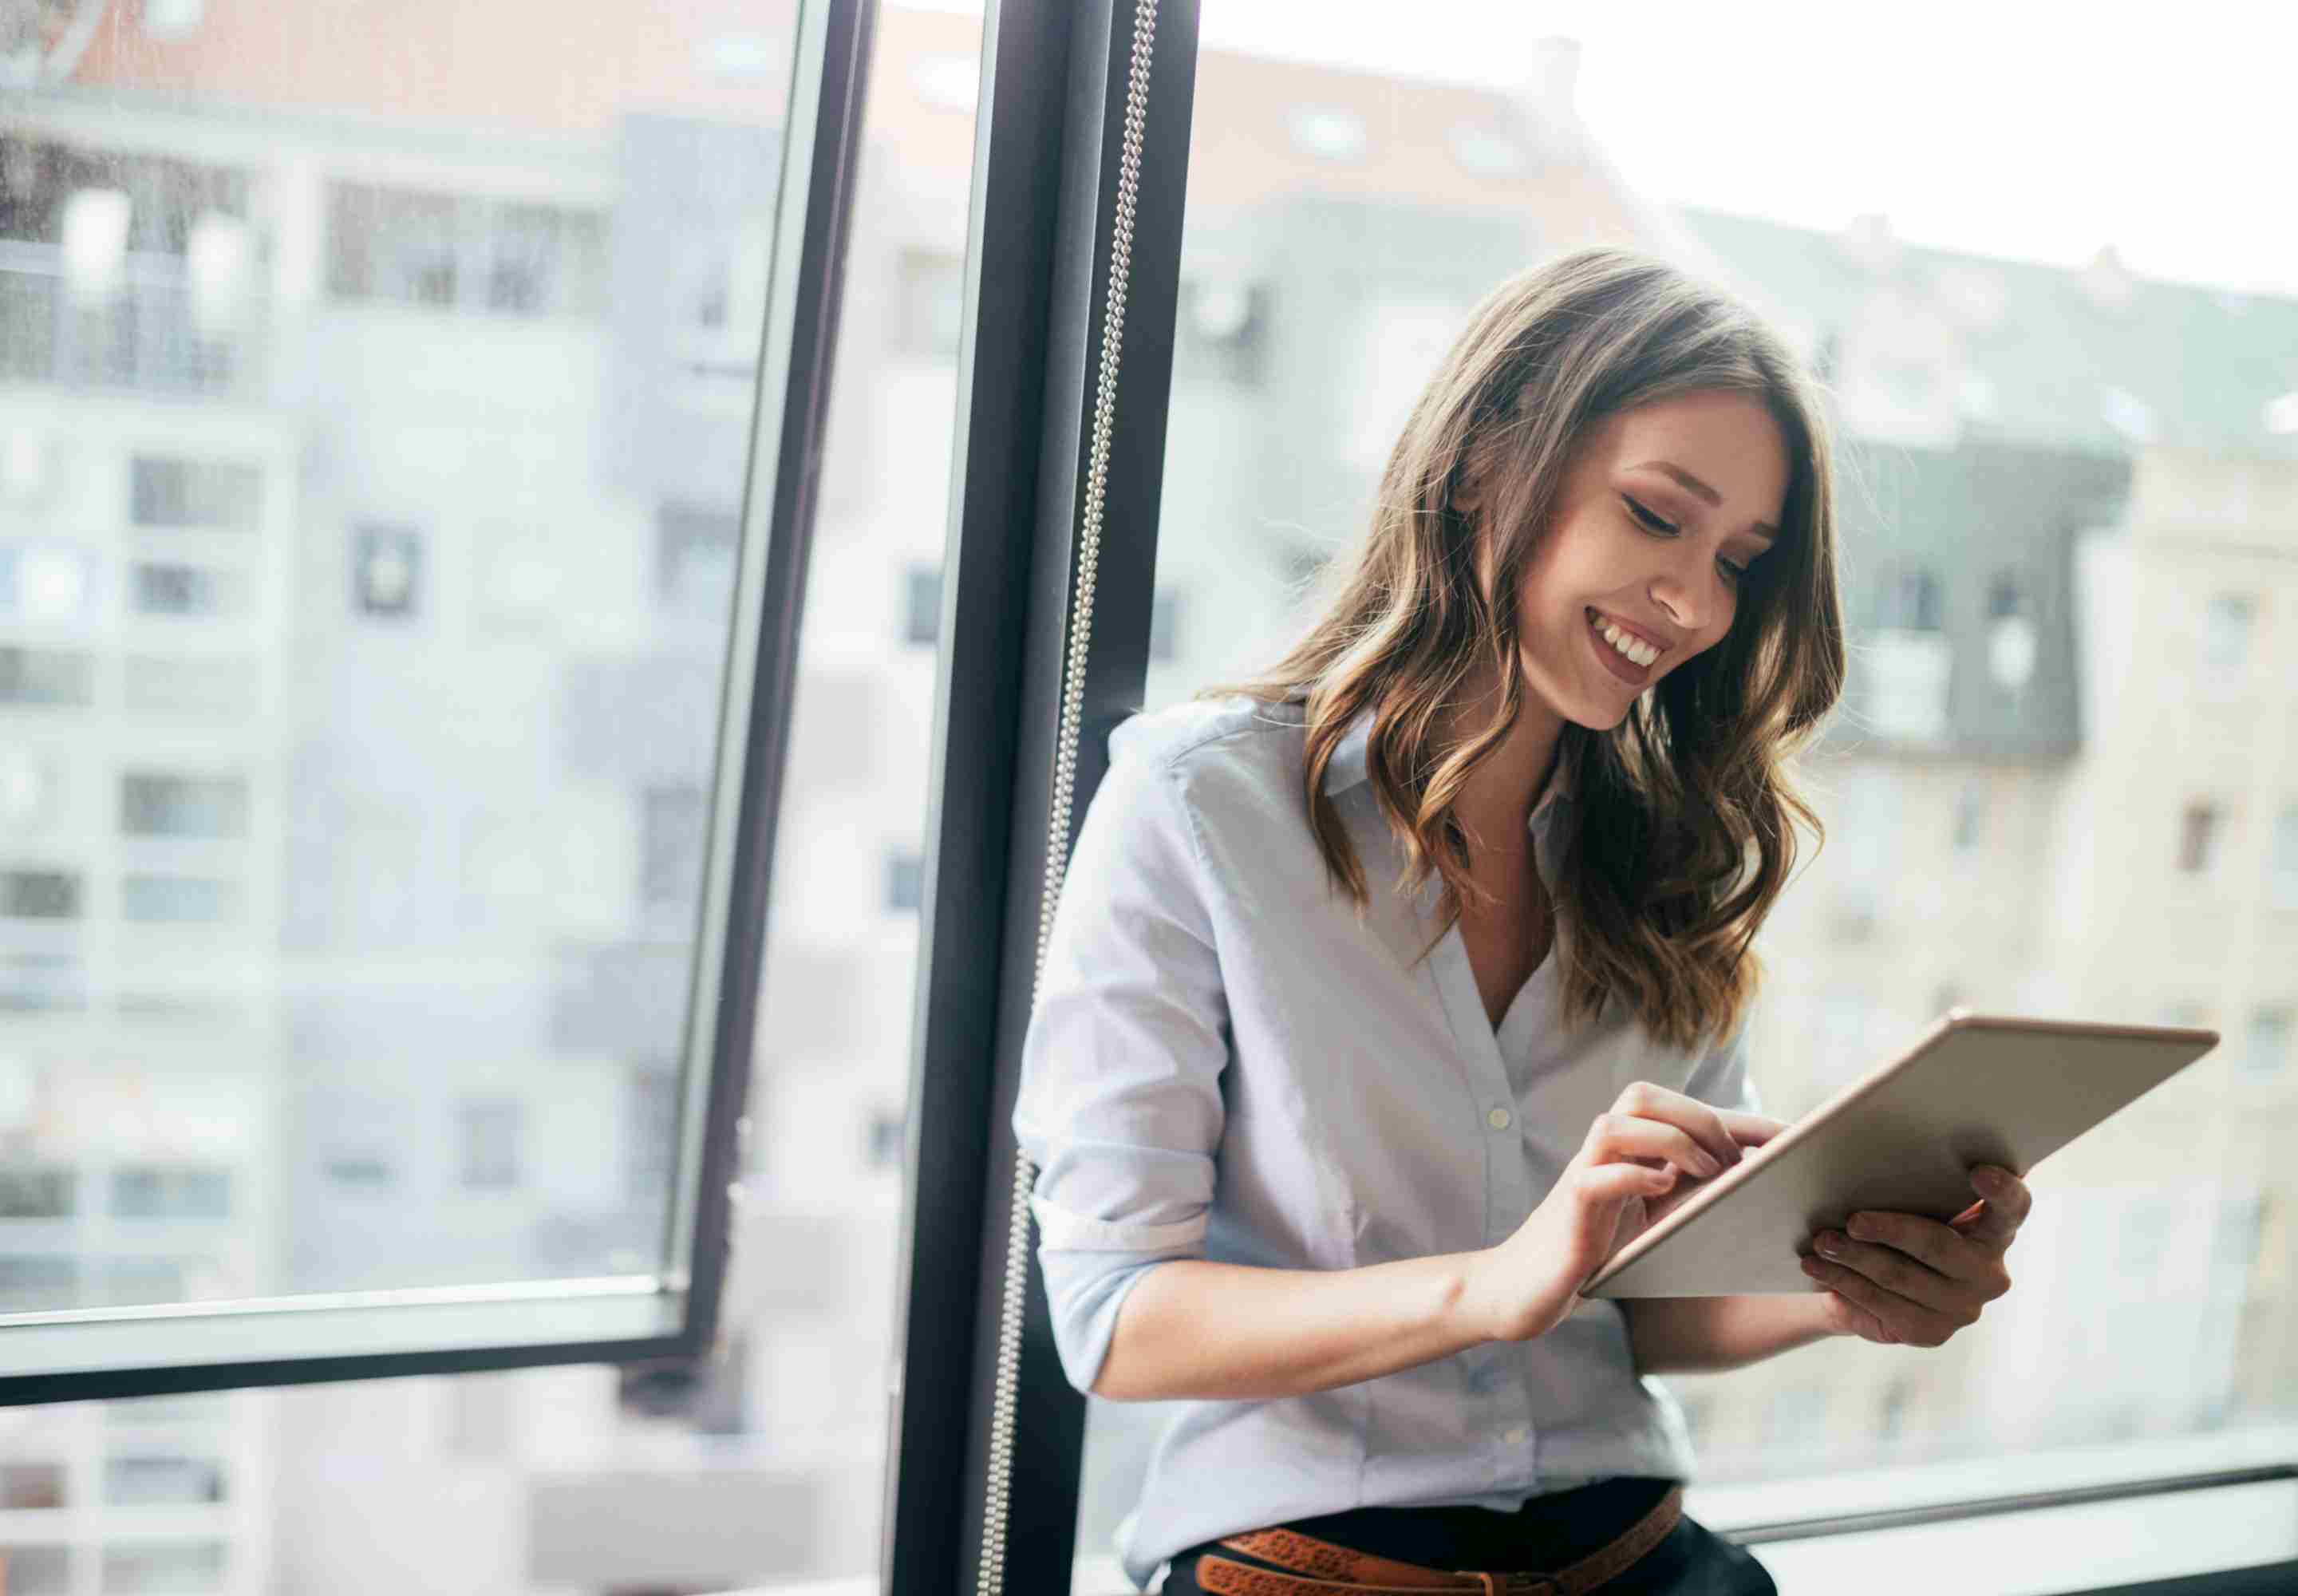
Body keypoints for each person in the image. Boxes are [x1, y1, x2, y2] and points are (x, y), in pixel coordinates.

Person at [1011, 247, 2032, 1595]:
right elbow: (1115, 1317)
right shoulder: (1200, 806)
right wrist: (1492, 1282)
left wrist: (1855, 1289)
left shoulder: (1665, 854)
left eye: (1738, 560)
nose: (1698, 604)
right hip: (1311, 1561)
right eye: (1658, 517)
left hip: (1645, 1554)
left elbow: (1646, 1312)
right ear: (1491, 459)